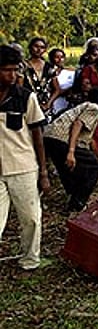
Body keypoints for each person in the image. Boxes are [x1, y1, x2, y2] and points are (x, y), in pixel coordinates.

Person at [0, 44, 50, 270]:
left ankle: (30, 259)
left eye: (15, 69)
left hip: (23, 166)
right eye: (6, 70)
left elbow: (38, 136)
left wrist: (43, 172)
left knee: (31, 219)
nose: (12, 75)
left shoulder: (25, 98)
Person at [43, 87, 98, 212]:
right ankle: (78, 203)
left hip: (50, 137)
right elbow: (78, 124)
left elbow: (90, 141)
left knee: (72, 168)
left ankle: (74, 198)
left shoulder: (84, 106)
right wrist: (71, 151)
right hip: (61, 138)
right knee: (93, 169)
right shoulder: (95, 108)